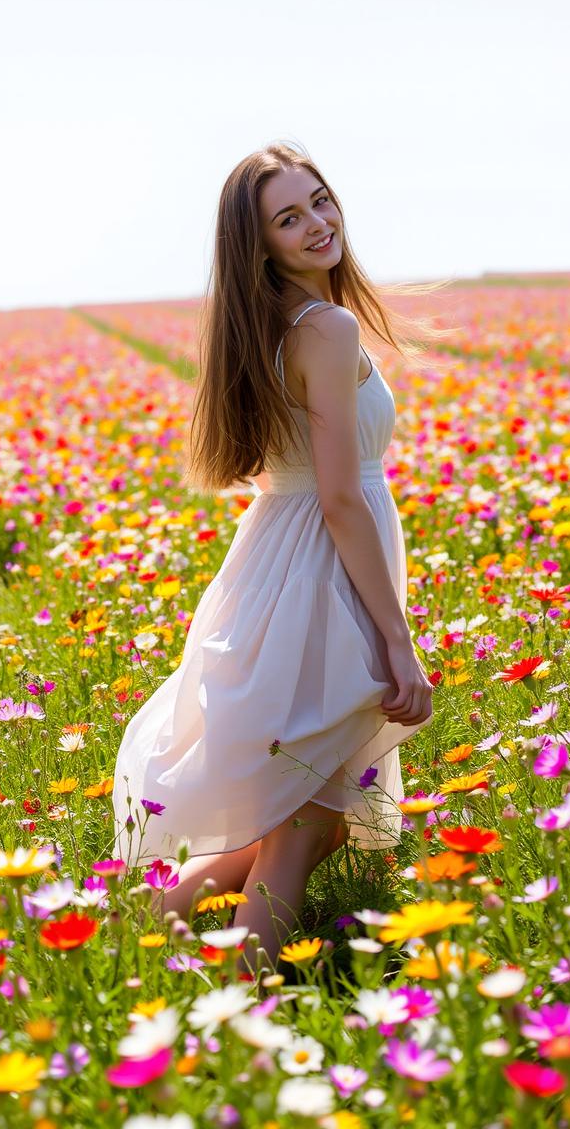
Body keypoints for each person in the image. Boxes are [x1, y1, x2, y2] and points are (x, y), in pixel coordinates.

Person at [111, 140, 438, 974]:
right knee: (304, 827)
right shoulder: (323, 327)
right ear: (260, 246)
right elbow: (338, 497)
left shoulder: (272, 326)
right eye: (289, 219)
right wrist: (395, 640)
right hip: (324, 577)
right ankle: (248, 1016)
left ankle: (135, 936)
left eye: (320, 201)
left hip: (280, 567)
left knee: (295, 815)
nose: (318, 224)